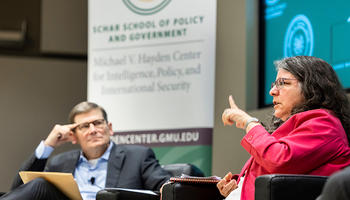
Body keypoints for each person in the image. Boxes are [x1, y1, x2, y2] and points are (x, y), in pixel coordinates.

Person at [216, 56, 350, 200]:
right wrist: (238, 184)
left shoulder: (325, 124)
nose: (272, 91)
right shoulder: (297, 125)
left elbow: (279, 160)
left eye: (283, 83)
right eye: (274, 84)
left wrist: (249, 122)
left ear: (312, 87)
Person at [1, 102, 171, 200]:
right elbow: (18, 190)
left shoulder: (137, 156)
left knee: (40, 184)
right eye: (84, 126)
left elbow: (168, 188)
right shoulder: (60, 162)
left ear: (109, 128)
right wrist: (48, 145)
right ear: (73, 136)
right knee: (38, 184)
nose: (92, 130)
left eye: (97, 123)